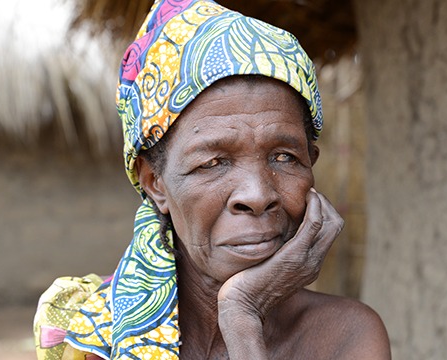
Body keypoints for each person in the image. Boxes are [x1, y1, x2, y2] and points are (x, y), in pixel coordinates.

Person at [34, 1, 391, 359]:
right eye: (213, 162)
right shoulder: (90, 331)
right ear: (154, 182)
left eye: (284, 157)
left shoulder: (346, 337)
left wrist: (241, 315)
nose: (257, 195)